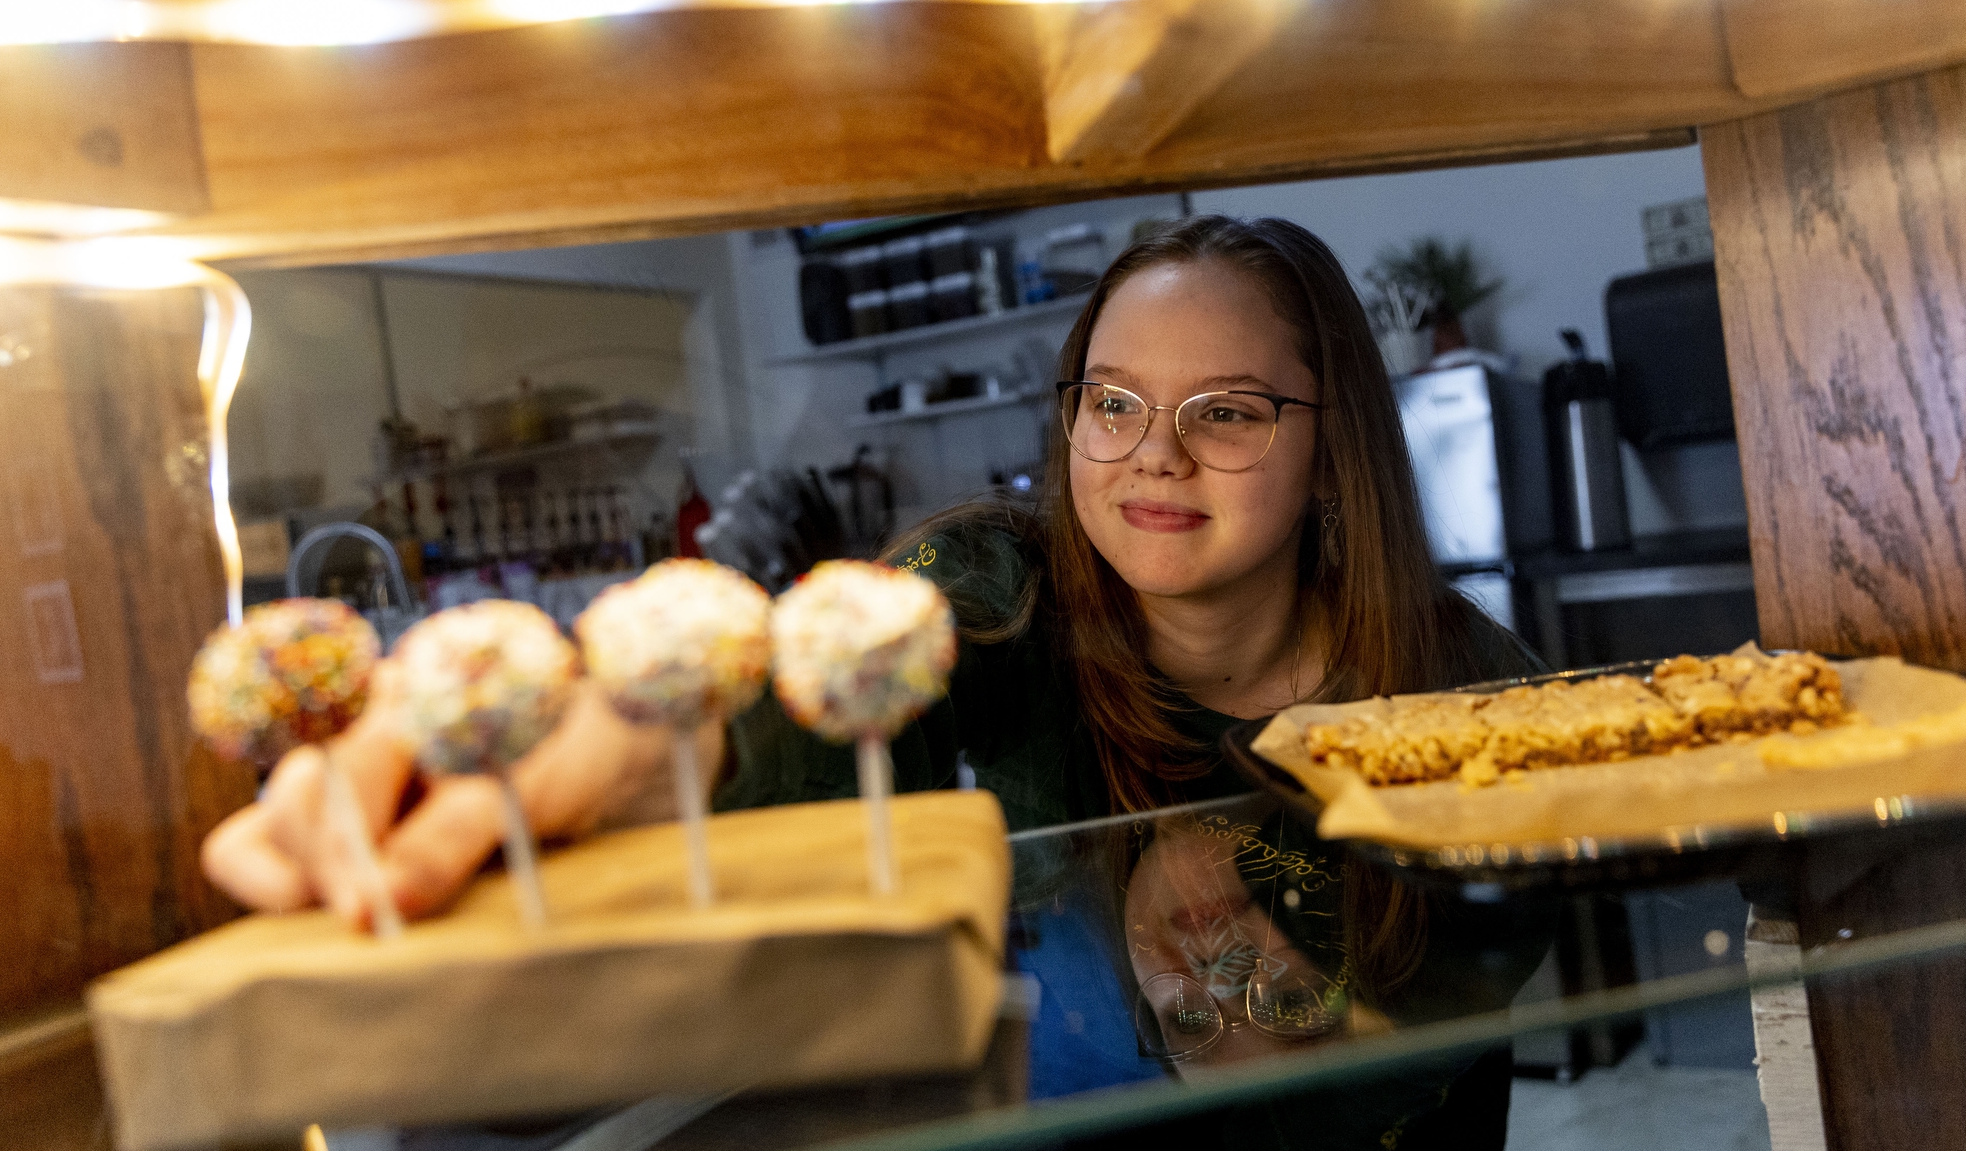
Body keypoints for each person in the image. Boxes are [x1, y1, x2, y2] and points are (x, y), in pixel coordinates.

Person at [203, 215, 1545, 1146]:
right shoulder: (994, 600)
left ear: (1334, 440)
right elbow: (789, 738)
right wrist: (628, 736)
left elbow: (1384, 1088)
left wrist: (1224, 970)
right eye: (1115, 400)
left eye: (1229, 411)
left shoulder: (1484, 708)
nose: (1154, 456)